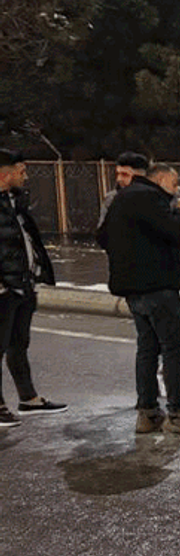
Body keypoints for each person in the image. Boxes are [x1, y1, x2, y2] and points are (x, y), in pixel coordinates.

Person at [97, 162, 180, 436]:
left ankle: (147, 412)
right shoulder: (151, 198)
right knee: (173, 347)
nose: (176, 190)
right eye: (174, 184)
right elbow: (178, 231)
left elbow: (102, 236)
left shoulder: (122, 198)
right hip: (158, 284)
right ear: (160, 179)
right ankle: (179, 412)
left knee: (147, 348)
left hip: (132, 287)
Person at [0, 149, 65, 428]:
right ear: (5, 174)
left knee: (18, 343)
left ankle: (28, 398)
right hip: (5, 287)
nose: (25, 176)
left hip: (22, 283)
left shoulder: (14, 202)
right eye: (21, 171)